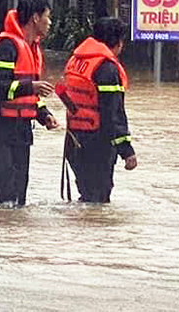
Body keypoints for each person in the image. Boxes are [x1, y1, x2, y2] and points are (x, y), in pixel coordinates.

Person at [0, 0, 58, 206]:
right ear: (35, 18)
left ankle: (14, 236)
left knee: (18, 196)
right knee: (2, 193)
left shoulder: (31, 48)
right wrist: (31, 86)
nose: (50, 22)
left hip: (21, 129)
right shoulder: (6, 46)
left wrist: (43, 114)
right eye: (48, 17)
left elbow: (29, 97)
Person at [57, 17, 137, 203]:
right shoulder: (107, 69)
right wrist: (126, 150)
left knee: (87, 197)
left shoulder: (76, 61)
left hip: (74, 140)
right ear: (118, 42)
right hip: (97, 144)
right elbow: (112, 114)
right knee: (98, 200)